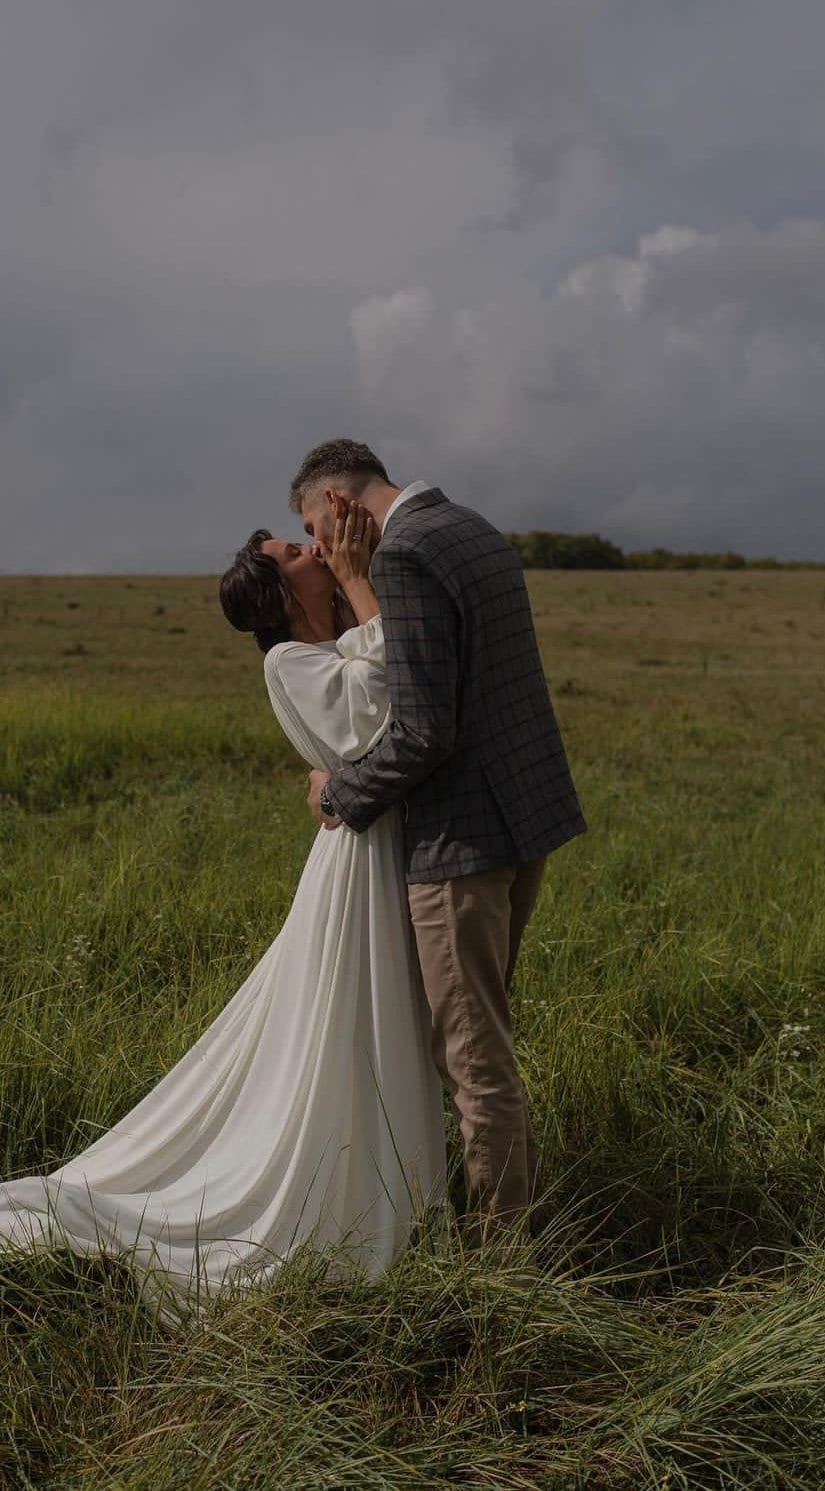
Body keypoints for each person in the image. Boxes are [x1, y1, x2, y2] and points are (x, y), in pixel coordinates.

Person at [0, 501, 445, 1305]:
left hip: (371, 844)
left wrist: (355, 591)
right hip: (357, 860)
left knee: (373, 1023)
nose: (314, 546)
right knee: (350, 1025)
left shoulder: (326, 642)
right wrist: (359, 582)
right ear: (280, 591)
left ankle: (404, 1182)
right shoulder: (285, 663)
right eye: (294, 548)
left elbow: (390, 701)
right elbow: (379, 710)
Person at [293, 440, 586, 1238]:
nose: (320, 548)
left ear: (339, 499)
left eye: (316, 526)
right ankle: (498, 1210)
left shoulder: (406, 557)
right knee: (483, 1035)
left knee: (471, 1056)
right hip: (528, 819)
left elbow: (423, 731)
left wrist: (340, 793)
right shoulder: (472, 526)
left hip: (462, 842)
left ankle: (503, 1255)